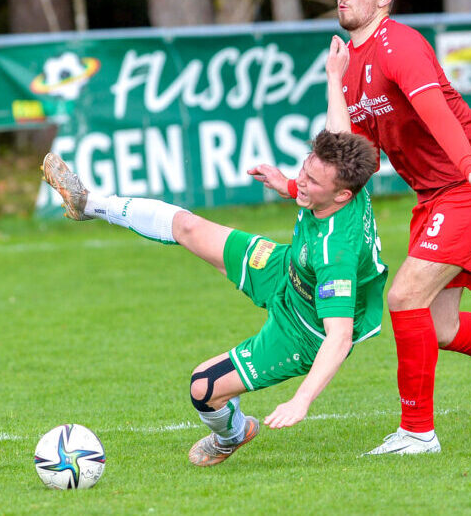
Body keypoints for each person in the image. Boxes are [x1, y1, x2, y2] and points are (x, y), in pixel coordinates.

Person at [253, 0, 471, 456]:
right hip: (437, 194)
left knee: (404, 298)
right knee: (440, 327)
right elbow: (354, 160)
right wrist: (297, 185)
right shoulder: (351, 65)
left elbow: (435, 108)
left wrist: (468, 167)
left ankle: (418, 432)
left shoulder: (399, 43)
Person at [41, 129, 388, 466]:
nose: (301, 181)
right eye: (304, 169)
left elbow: (340, 335)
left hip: (302, 330)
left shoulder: (336, 255)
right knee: (188, 227)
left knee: (203, 387)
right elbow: (340, 129)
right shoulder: (343, 172)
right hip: (286, 267)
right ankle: (88, 203)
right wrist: (333, 72)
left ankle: (232, 434)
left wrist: (302, 399)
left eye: (311, 182)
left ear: (342, 196)